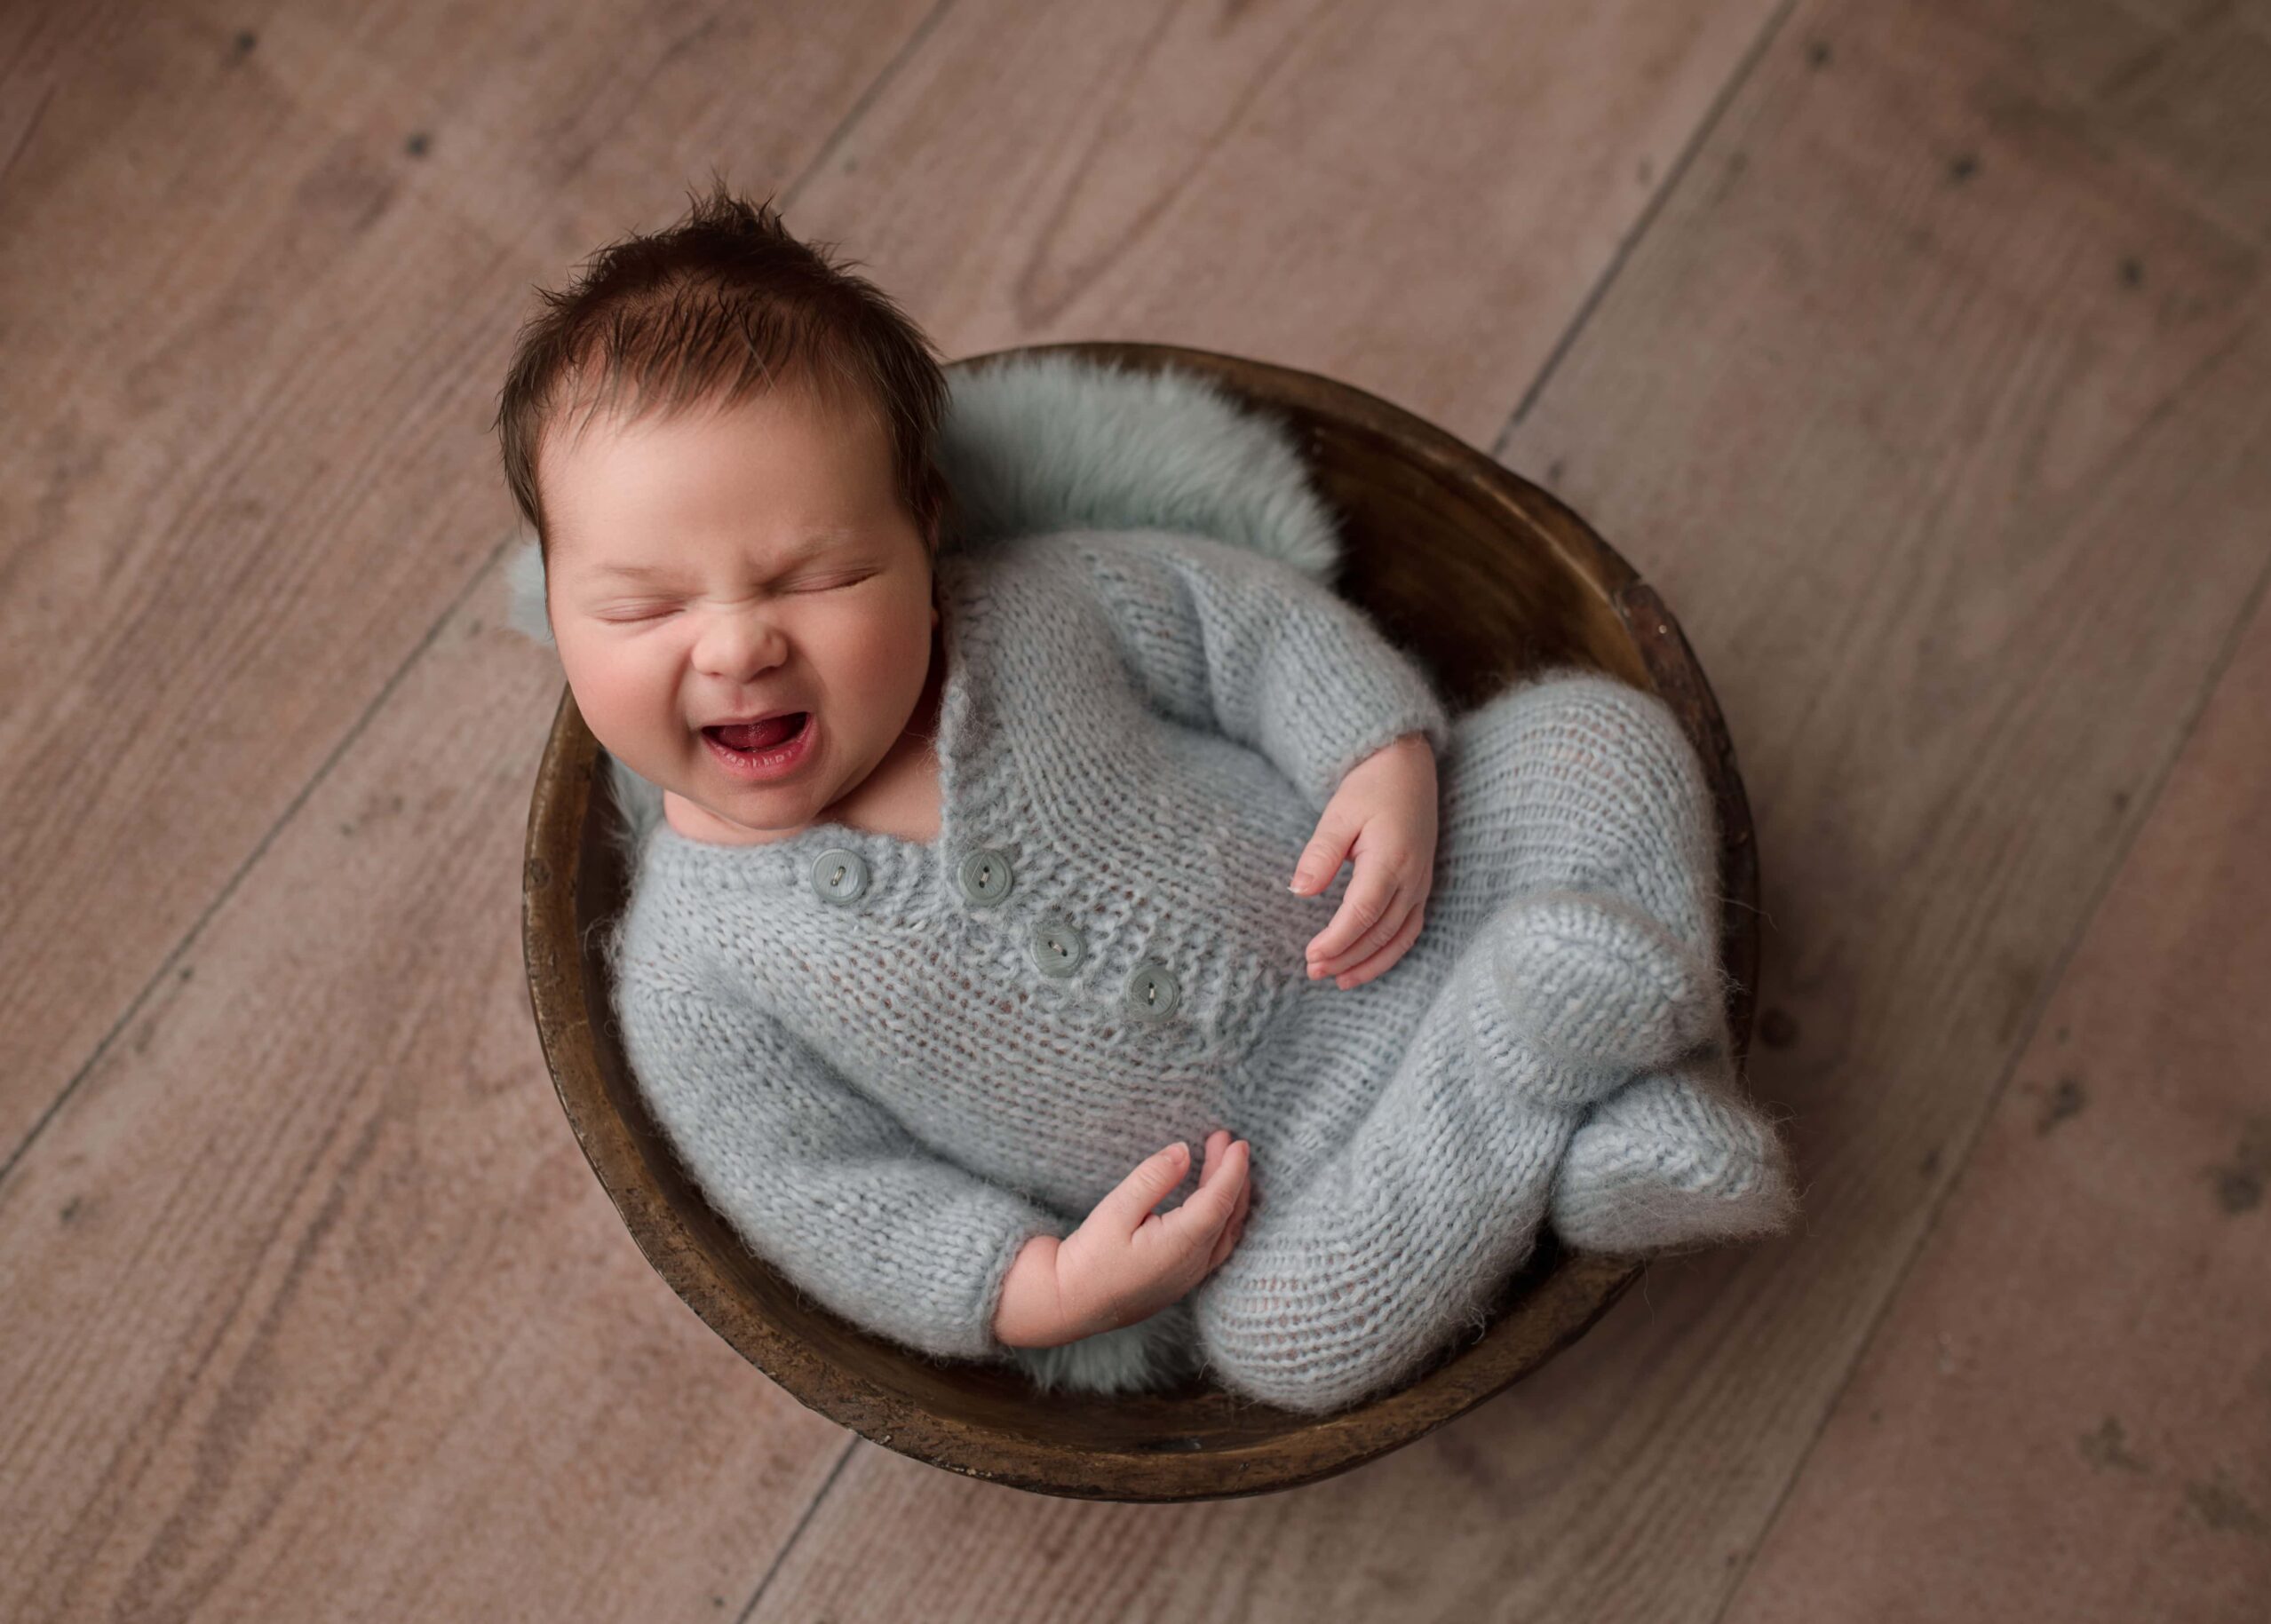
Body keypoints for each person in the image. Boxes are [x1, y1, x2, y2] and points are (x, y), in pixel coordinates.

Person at [494, 178, 1799, 1416]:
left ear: (920, 533)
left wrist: (1375, 756)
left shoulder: (1036, 604)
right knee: (1287, 1340)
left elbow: (1247, 631)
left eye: (818, 575)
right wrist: (1036, 1286)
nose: (735, 648)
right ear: (556, 611)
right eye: (644, 606)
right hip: (1286, 1182)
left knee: (1597, 739)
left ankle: (1608, 1108)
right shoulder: (691, 974)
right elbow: (816, 1187)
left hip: (1424, 888)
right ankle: (1540, 1074)